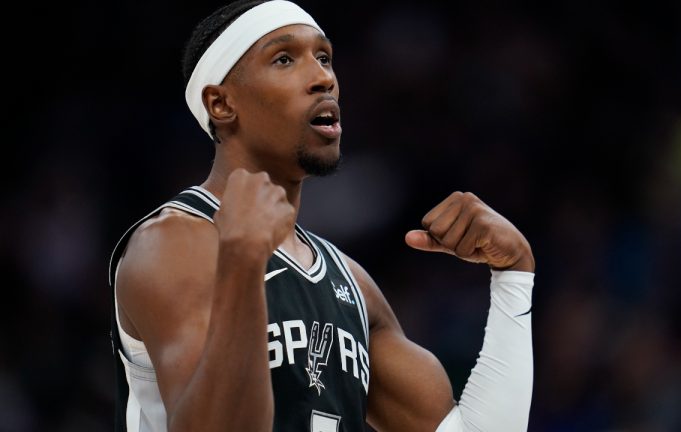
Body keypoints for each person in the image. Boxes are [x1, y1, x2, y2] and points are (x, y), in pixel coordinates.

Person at [108, 0, 536, 431]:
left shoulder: (352, 285)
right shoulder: (171, 244)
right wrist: (242, 264)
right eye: (284, 59)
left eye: (325, 58)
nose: (323, 78)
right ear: (221, 104)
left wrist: (514, 275)